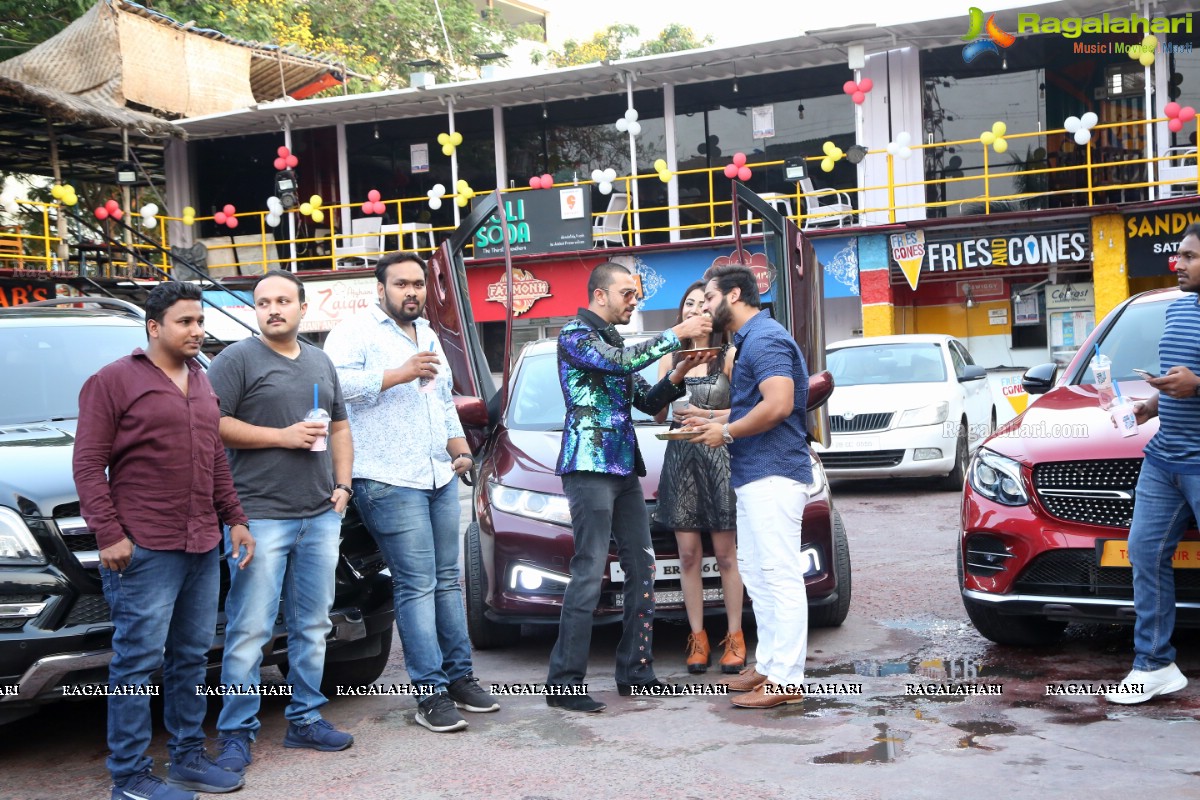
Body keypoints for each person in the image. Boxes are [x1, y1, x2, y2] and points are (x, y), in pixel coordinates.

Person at [73, 281, 254, 800]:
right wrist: (108, 534)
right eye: (185, 322)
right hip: (145, 547)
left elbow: (216, 457)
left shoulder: (200, 380)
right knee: (136, 661)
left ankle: (187, 757)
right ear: (155, 327)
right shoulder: (112, 381)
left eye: (200, 321)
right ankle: (128, 778)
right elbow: (88, 464)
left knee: (192, 656)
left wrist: (234, 518)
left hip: (201, 541)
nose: (197, 331)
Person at [324, 251, 498, 733]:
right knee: (416, 583)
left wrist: (460, 450)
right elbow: (333, 386)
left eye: (418, 284)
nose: (412, 292)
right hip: (385, 478)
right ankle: (430, 693)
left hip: (437, 475)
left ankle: (460, 679)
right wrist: (399, 372)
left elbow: (441, 401)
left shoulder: (428, 335)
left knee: (447, 580)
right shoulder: (354, 331)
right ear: (380, 289)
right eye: (401, 284)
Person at [547, 261, 713, 712]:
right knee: (589, 570)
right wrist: (676, 333)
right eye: (627, 293)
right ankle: (564, 682)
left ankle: (636, 672)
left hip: (623, 470)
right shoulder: (575, 336)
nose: (634, 300)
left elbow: (646, 401)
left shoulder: (613, 341)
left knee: (643, 568)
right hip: (587, 467)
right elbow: (622, 362)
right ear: (599, 295)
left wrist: (679, 372)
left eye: (636, 294)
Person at [207, 269, 355, 773]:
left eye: (283, 301)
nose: (273, 308)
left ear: (301, 307)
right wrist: (282, 436)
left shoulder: (319, 360)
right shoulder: (236, 359)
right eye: (264, 302)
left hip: (319, 515)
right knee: (250, 629)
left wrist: (343, 486)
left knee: (313, 625)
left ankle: (306, 718)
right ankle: (235, 733)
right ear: (256, 310)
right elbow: (213, 425)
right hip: (258, 516)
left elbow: (339, 426)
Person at [690, 264, 812, 709]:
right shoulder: (749, 340)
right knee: (758, 576)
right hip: (755, 473)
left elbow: (778, 405)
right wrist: (712, 419)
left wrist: (724, 432)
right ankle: (770, 665)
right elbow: (755, 406)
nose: (704, 305)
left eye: (708, 297)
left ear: (734, 294)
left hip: (774, 472)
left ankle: (787, 680)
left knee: (779, 575)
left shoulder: (766, 338)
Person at [1104, 223, 1200, 704]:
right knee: (1144, 554)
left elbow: (1193, 381)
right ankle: (1156, 664)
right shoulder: (1180, 309)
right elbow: (1177, 380)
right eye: (1178, 255)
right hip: (1165, 459)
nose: (1177, 264)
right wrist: (1152, 404)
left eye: (1189, 257)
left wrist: (1198, 386)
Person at [651, 281, 745, 674]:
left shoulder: (730, 353)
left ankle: (735, 637)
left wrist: (706, 417)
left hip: (719, 455)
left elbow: (743, 411)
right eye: (688, 304)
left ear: (713, 311)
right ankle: (698, 637)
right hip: (681, 457)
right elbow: (655, 414)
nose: (694, 310)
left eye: (701, 303)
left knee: (725, 554)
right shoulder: (670, 357)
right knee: (688, 554)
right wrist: (672, 386)